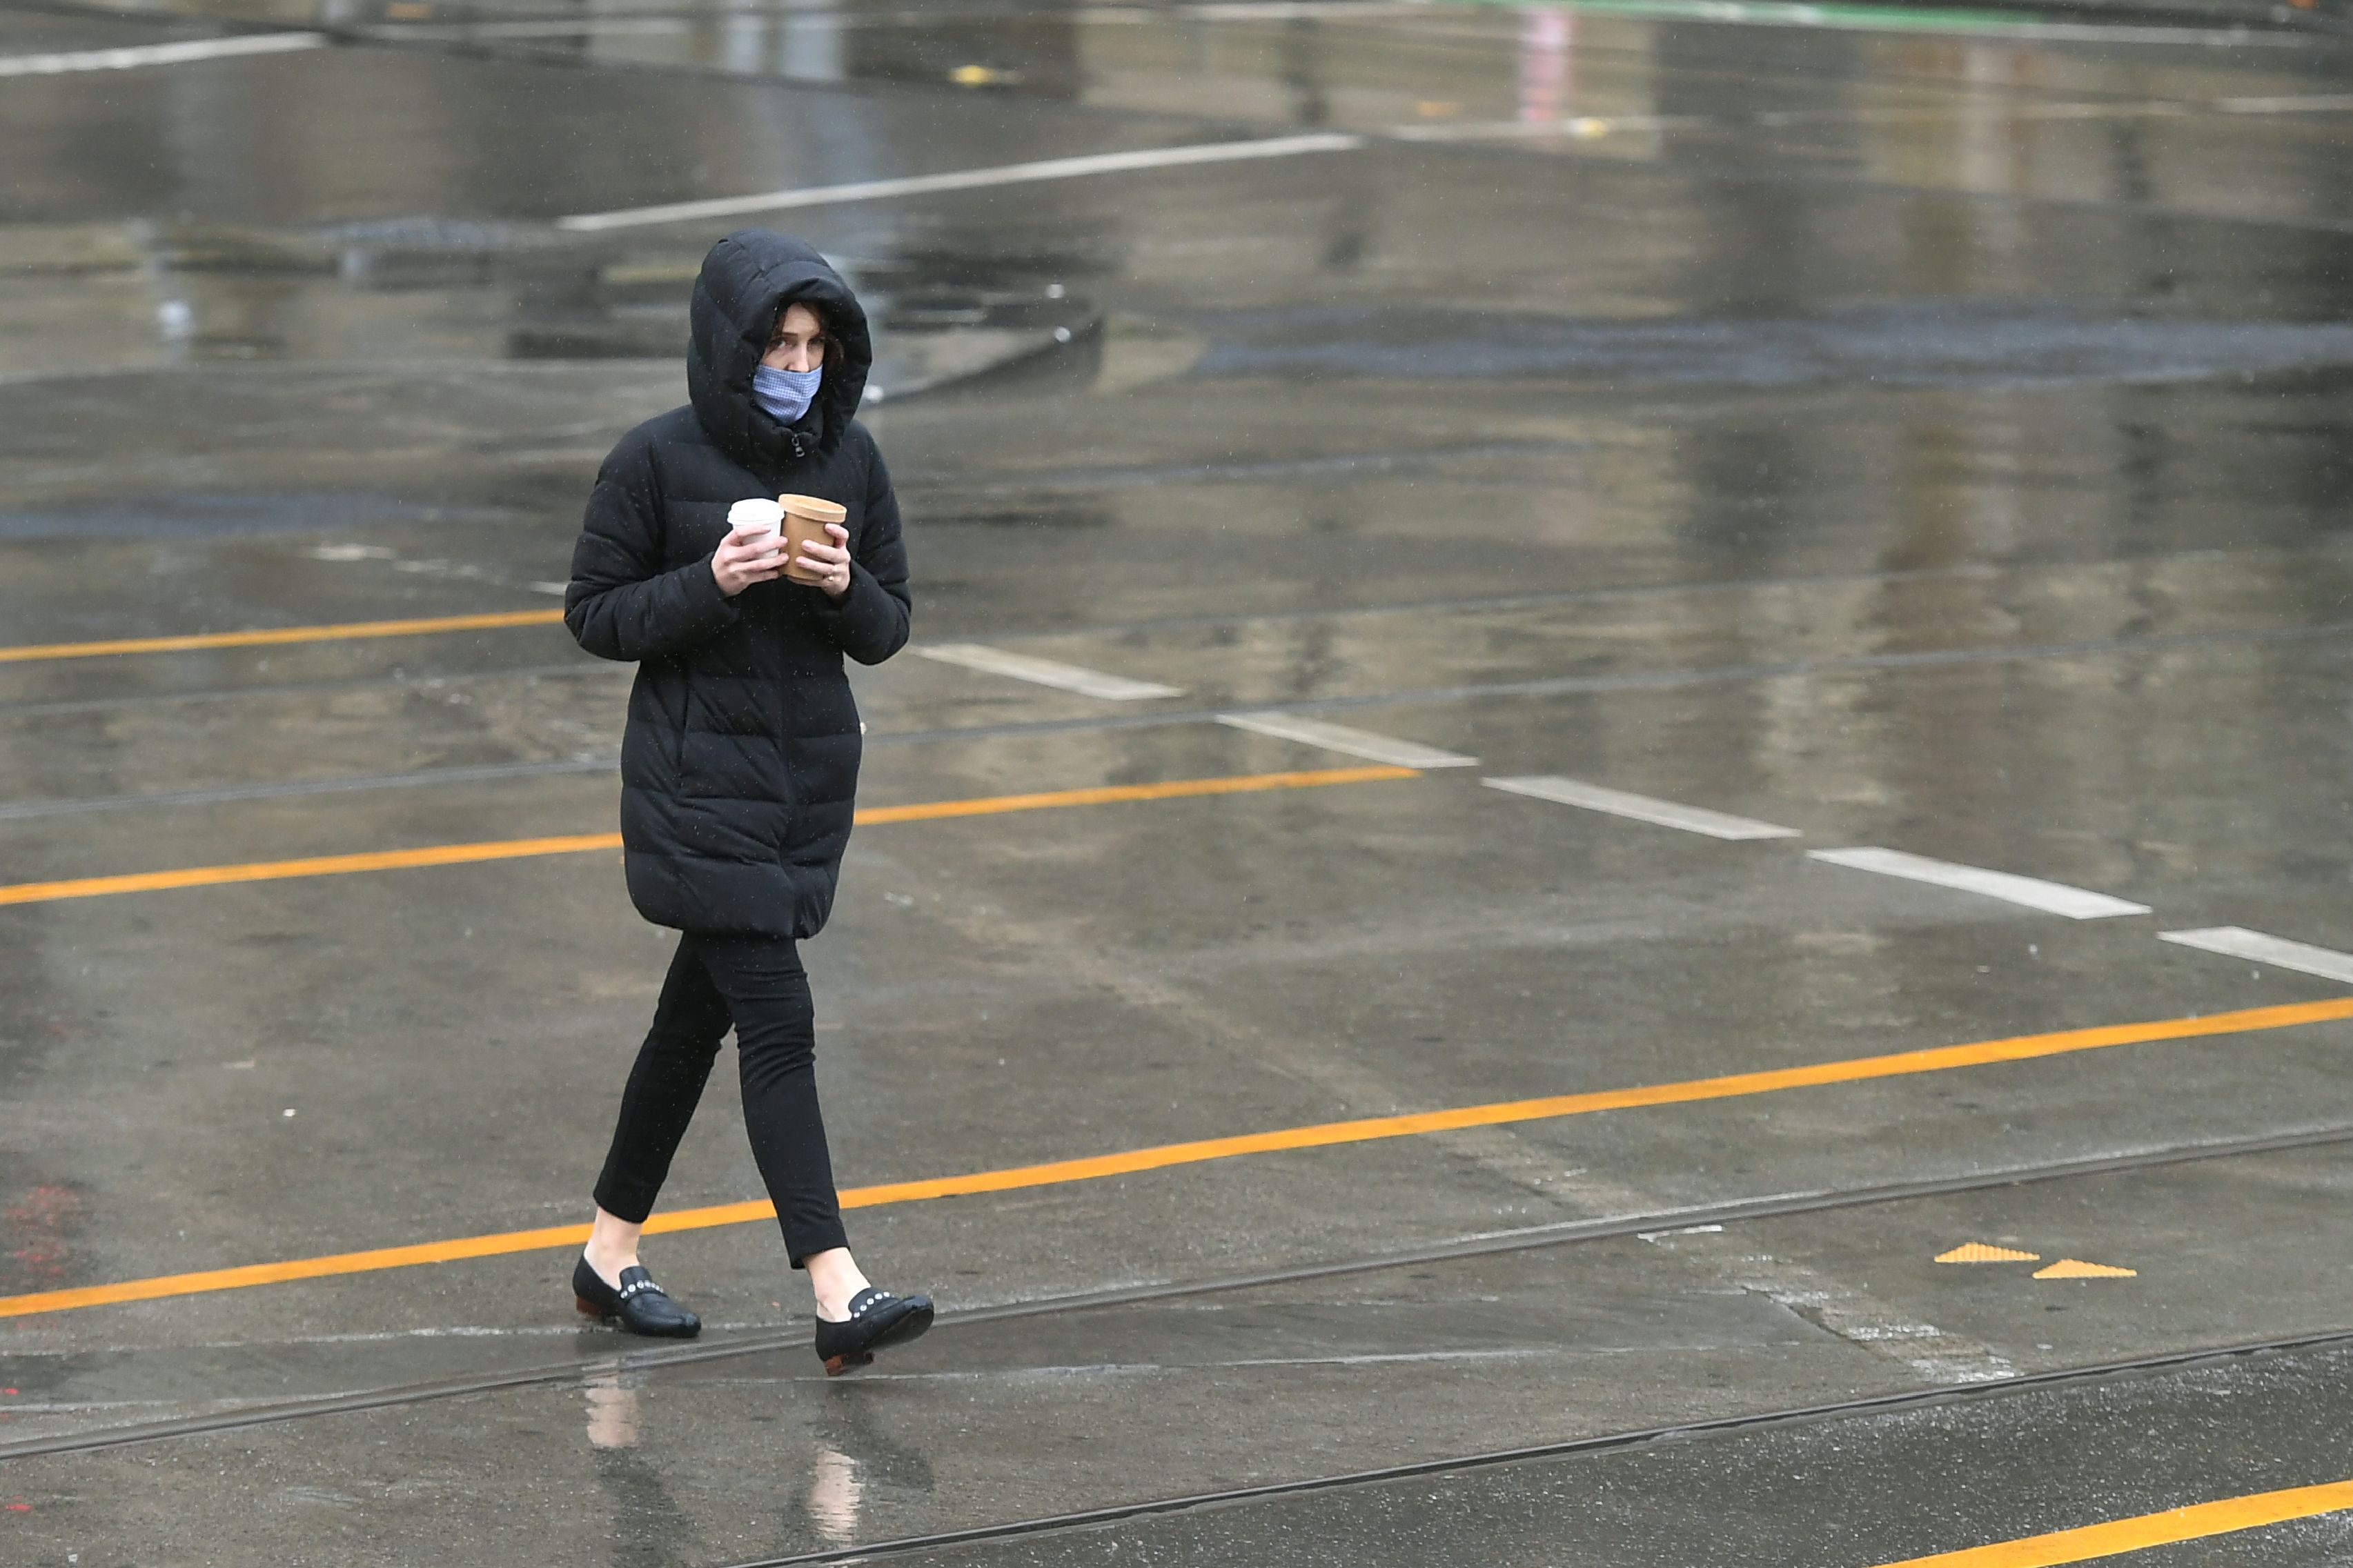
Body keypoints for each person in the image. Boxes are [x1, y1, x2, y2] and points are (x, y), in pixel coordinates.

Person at [561, 228, 932, 1376]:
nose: (798, 363)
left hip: (799, 795)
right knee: (779, 1020)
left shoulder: (850, 462)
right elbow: (593, 612)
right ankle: (837, 1289)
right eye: (778, 342)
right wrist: (708, 584)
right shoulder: (656, 462)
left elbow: (889, 628)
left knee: (689, 1029)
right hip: (695, 792)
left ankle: (606, 1253)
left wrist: (841, 586)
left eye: (817, 345)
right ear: (732, 346)